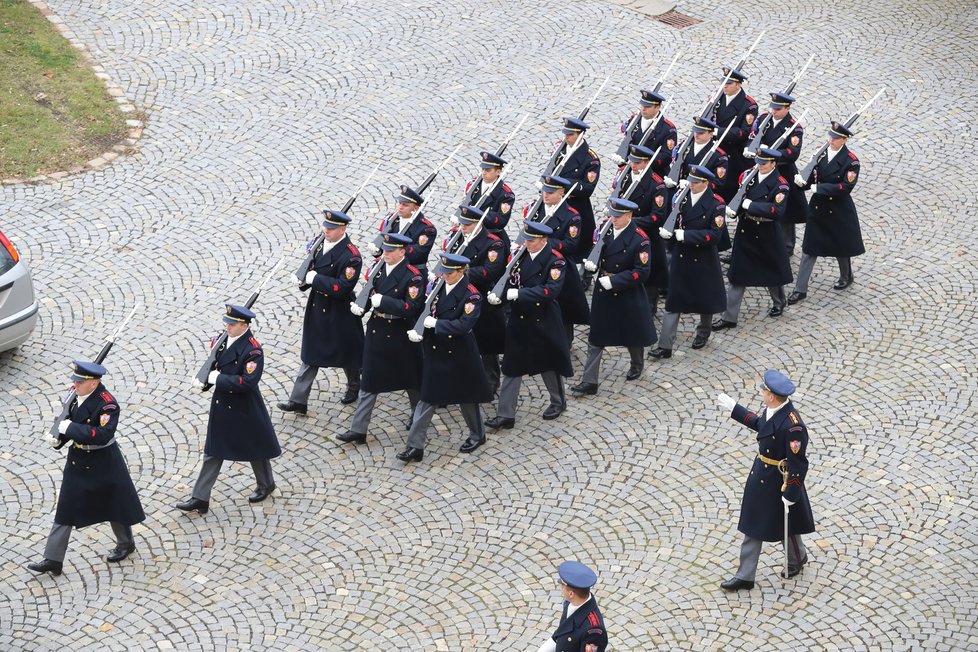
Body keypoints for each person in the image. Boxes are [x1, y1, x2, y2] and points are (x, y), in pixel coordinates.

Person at [28, 361, 145, 575]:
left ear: (94, 383)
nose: (75, 384)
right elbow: (66, 421)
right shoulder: (74, 397)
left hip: (104, 461)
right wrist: (59, 438)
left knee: (114, 503)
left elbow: (102, 435)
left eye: (80, 382)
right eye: (75, 380)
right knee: (65, 508)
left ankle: (125, 543)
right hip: (78, 459)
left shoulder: (108, 405)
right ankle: (53, 558)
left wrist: (70, 428)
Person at [177, 305, 281, 514]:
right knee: (213, 451)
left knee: (256, 447)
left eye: (232, 324)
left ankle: (266, 484)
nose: (227, 327)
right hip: (223, 404)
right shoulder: (223, 341)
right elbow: (213, 364)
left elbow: (247, 382)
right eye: (227, 323)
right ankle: (200, 497)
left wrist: (217, 379)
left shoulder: (253, 350)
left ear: (244, 325)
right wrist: (205, 380)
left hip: (245, 407)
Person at [716, 369, 815, 589]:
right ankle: (746, 575)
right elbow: (762, 425)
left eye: (764, 390)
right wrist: (736, 410)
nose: (761, 392)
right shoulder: (772, 410)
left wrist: (791, 493)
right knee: (753, 525)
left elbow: (798, 464)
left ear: (770, 395)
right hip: (761, 475)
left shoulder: (794, 425)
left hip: (780, 480)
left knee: (786, 525)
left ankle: (796, 558)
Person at [398, 253, 493, 462]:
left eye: (449, 273)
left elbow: (464, 325)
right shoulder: (439, 286)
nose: (445, 276)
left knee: (467, 397)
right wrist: (421, 328)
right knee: (428, 397)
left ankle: (478, 434)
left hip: (460, 353)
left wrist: (437, 325)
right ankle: (415, 446)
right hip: (436, 350)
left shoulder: (472, 295)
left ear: (461, 272)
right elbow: (426, 308)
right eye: (443, 272)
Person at [336, 233, 425, 445]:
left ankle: (417, 415)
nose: (386, 254)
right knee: (369, 381)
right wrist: (362, 306)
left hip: (400, 332)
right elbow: (370, 293)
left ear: (402, 252)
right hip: (377, 330)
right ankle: (358, 429)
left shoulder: (413, 277)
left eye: (390, 251)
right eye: (384, 250)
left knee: (411, 379)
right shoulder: (378, 269)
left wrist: (383, 301)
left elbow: (410, 308)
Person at [484, 222, 571, 429]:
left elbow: (551, 291)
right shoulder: (520, 256)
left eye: (531, 240)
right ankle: (506, 414)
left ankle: (558, 401)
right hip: (519, 318)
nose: (526, 243)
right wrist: (500, 297)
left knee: (549, 363)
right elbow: (510, 281)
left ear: (543, 240)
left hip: (543, 318)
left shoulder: (555, 261)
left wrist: (520, 294)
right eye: (525, 239)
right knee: (512, 366)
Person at [279, 210, 363, 415]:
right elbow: (310, 268)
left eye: (332, 228)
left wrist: (314, 279)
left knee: (348, 353)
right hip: (318, 306)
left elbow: (343, 287)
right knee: (311, 354)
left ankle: (354, 386)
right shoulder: (319, 244)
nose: (326, 230)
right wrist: (303, 280)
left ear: (342, 230)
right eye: (325, 226)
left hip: (340, 310)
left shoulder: (351, 255)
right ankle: (298, 399)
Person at [572, 198, 654, 394]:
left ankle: (637, 363)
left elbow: (642, 272)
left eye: (618, 216)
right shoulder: (605, 229)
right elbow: (597, 249)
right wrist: (592, 264)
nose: (613, 219)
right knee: (596, 337)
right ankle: (590, 381)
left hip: (626, 292)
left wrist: (616, 281)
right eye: (612, 215)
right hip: (604, 291)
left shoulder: (640, 239)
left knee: (631, 333)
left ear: (629, 215)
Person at [650, 166, 727, 358]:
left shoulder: (716, 204)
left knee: (705, 299)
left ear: (705, 183)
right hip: (681, 256)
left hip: (703, 258)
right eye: (690, 181)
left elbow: (715, 235)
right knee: (673, 301)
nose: (691, 185)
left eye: (695, 182)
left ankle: (703, 332)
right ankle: (665, 345)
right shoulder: (682, 197)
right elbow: (673, 218)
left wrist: (686, 235)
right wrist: (668, 232)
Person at [712, 147, 792, 330]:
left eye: (764, 163)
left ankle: (779, 301)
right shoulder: (748, 175)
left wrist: (751, 205)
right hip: (746, 229)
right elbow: (740, 196)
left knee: (772, 271)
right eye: (758, 162)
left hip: (767, 231)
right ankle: (729, 317)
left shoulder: (781, 185)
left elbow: (777, 211)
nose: (760, 166)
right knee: (737, 275)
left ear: (773, 164)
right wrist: (735, 209)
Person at [787, 120, 864, 303]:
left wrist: (818, 188)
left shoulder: (851, 161)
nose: (831, 140)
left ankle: (846, 276)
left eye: (836, 138)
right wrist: (802, 183)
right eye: (830, 136)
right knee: (809, 248)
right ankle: (800, 289)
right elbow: (811, 177)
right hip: (819, 207)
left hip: (838, 209)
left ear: (844, 140)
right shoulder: (820, 154)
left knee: (841, 246)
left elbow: (845, 187)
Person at [446, 205, 506, 393]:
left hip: (482, 295)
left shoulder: (493, 243)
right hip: (457, 294)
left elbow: (490, 271)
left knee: (487, 341)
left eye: (468, 225)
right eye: (462, 224)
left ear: (478, 224)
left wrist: (461, 272)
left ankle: (491, 380)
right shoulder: (456, 237)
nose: (463, 228)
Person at [530, 174, 590, 344]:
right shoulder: (537, 208)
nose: (545, 195)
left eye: (550, 192)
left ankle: (566, 340)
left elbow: (570, 245)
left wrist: (544, 242)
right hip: (537, 263)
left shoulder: (572, 216)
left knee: (564, 306)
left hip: (559, 264)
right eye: (544, 191)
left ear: (561, 192)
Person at [615, 144, 669, 321]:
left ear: (647, 162)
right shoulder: (623, 175)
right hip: (623, 232)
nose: (633, 165)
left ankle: (649, 308)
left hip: (646, 234)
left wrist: (631, 222)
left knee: (650, 274)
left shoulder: (656, 185)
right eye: (632, 161)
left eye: (638, 162)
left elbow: (657, 216)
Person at [748, 92, 806, 255]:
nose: (774, 111)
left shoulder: (794, 127)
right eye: (772, 107)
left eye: (778, 109)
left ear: (787, 108)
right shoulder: (763, 119)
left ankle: (787, 246)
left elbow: (792, 153)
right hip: (762, 168)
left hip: (783, 171)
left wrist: (771, 153)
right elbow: (753, 135)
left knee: (787, 211)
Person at [549, 117, 601, 261]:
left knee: (577, 247)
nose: (566, 137)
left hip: (576, 205)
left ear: (580, 135)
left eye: (570, 134)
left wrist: (562, 183)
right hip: (555, 203)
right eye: (565, 133)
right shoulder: (560, 150)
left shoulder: (590, 159)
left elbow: (588, 188)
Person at [535, 560, 608, 652]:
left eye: (562, 585)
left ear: (571, 594)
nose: (560, 587)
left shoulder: (593, 631)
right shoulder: (570, 603)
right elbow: (559, 636)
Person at [713, 67, 759, 203]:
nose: (724, 86)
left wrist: (717, 131)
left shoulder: (749, 105)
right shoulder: (717, 97)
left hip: (735, 153)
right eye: (724, 82)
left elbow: (744, 132)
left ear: (738, 85)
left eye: (729, 83)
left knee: (733, 188)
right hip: (717, 149)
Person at [367, 185, 437, 267]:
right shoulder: (393, 220)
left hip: (412, 271)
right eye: (400, 203)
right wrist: (377, 251)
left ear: (416, 208)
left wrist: (394, 251)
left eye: (405, 205)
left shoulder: (427, 229)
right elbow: (385, 239)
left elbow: (418, 254)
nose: (400, 207)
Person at [613, 89, 677, 176]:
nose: (643, 109)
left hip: (653, 175)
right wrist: (622, 157)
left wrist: (643, 164)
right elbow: (628, 142)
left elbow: (666, 156)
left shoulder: (668, 129)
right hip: (631, 171)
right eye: (642, 105)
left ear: (657, 107)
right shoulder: (634, 120)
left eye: (647, 107)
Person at [465, 151, 516, 256]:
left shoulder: (506, 194)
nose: (483, 172)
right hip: (470, 231)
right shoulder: (473, 185)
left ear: (498, 172)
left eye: (488, 170)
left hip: (490, 234)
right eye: (483, 169)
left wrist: (479, 213)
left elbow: (501, 220)